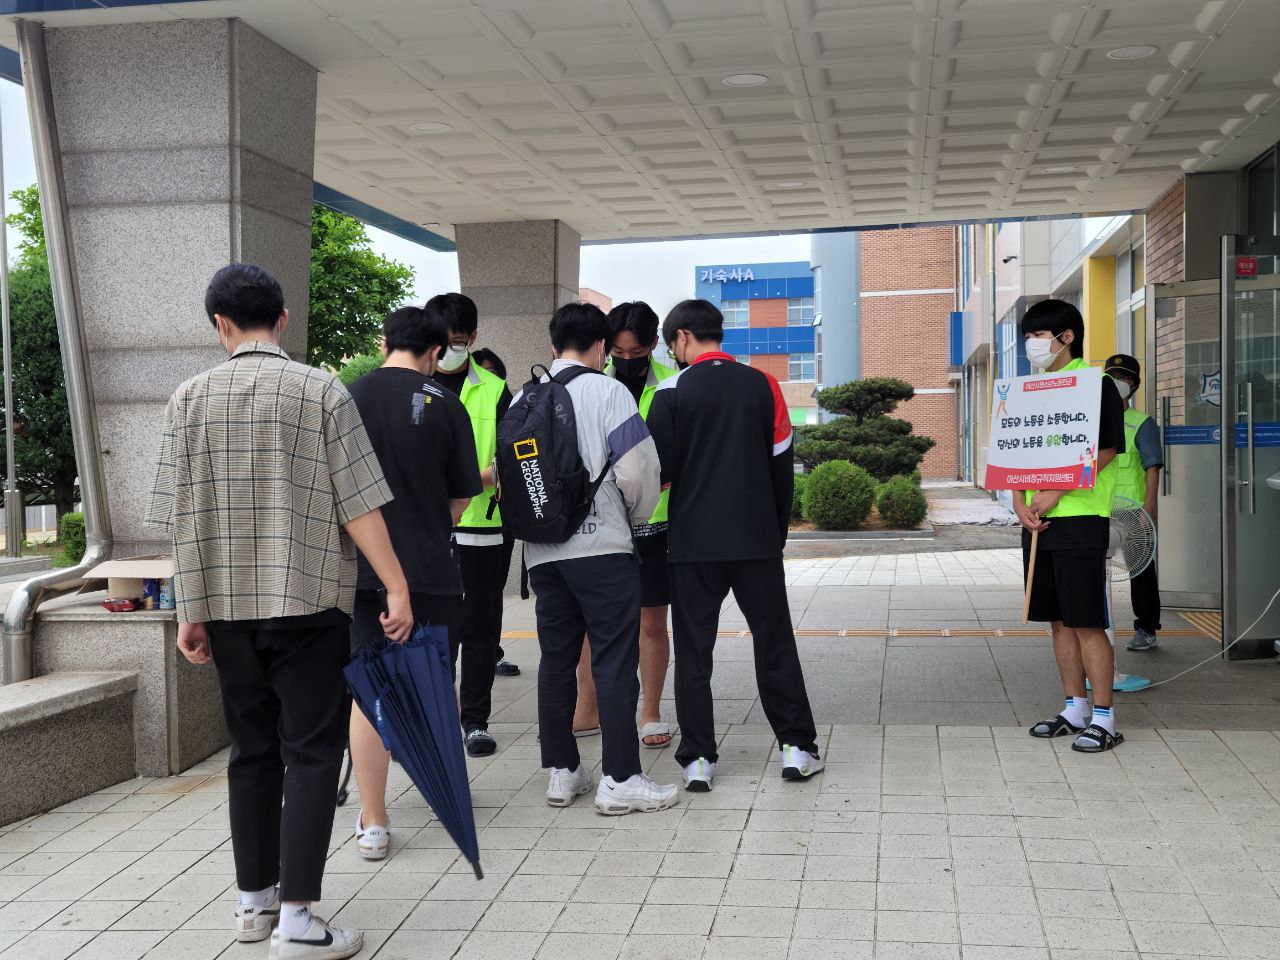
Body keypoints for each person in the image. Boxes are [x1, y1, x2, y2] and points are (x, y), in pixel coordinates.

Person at [146, 264, 414, 960]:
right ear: (284, 319)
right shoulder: (320, 390)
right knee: (311, 751)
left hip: (225, 607)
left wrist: (186, 612)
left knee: (252, 751)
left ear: (220, 325)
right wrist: (396, 586)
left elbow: (178, 518)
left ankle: (252, 903)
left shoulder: (187, 399)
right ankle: (299, 920)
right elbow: (358, 502)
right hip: (307, 601)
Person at [647, 299, 823, 792]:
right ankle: (795, 748)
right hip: (756, 540)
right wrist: (775, 533)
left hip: (693, 543)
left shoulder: (670, 391)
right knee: (774, 643)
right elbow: (781, 466)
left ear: (682, 338)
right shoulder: (763, 384)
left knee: (695, 652)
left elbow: (659, 475)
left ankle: (698, 759)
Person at [520, 302, 678, 815]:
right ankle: (621, 778)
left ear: (552, 345)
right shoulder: (609, 391)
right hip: (603, 546)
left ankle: (562, 773)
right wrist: (633, 520)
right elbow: (638, 471)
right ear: (601, 347)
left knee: (556, 661)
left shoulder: (525, 395)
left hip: (543, 552)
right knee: (613, 659)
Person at [344, 306, 482, 861]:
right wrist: (427, 527)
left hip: (360, 571)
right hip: (429, 569)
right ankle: (443, 789)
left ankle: (374, 820)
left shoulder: (344, 397)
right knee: (431, 684)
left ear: (384, 343)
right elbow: (463, 494)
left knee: (368, 690)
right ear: (436, 352)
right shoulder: (447, 404)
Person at [1016, 299, 1127, 753]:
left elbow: (1107, 451)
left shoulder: (1095, 384)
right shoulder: (1030, 390)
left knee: (1086, 621)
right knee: (1058, 621)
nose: (1032, 345)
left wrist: (1056, 491)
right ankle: (1074, 706)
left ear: (1067, 338)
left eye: (1039, 336)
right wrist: (1018, 503)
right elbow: (1015, 456)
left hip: (1080, 517)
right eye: (1028, 337)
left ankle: (1104, 717)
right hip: (1037, 522)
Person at [571, 302, 678, 748]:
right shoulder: (594, 385)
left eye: (636, 354)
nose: (627, 362)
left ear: (654, 345)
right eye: (618, 353)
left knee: (651, 622)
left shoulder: (671, 386)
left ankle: (649, 710)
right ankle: (586, 705)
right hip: (606, 523)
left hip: (658, 522)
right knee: (592, 623)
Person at [425, 294, 510, 756]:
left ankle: (474, 720)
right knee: (435, 632)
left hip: (482, 528)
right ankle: (434, 719)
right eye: (442, 342)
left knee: (480, 628)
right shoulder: (414, 385)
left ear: (473, 338)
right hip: (426, 533)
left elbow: (514, 456)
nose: (449, 350)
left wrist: (476, 479)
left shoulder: (495, 389)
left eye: (458, 341)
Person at [1103, 353, 1163, 651]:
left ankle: (1147, 628)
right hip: (1099, 509)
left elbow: (1152, 467)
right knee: (1095, 573)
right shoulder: (1095, 420)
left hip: (1132, 513)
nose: (1118, 383)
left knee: (1140, 572)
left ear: (1135, 385)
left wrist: (1148, 510)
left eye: (1125, 378)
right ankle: (1098, 627)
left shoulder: (1142, 423)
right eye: (1113, 377)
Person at [471, 346, 520, 679]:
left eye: (494, 372)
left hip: (497, 516)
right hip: (458, 518)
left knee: (492, 592)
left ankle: (492, 651)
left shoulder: (504, 401)